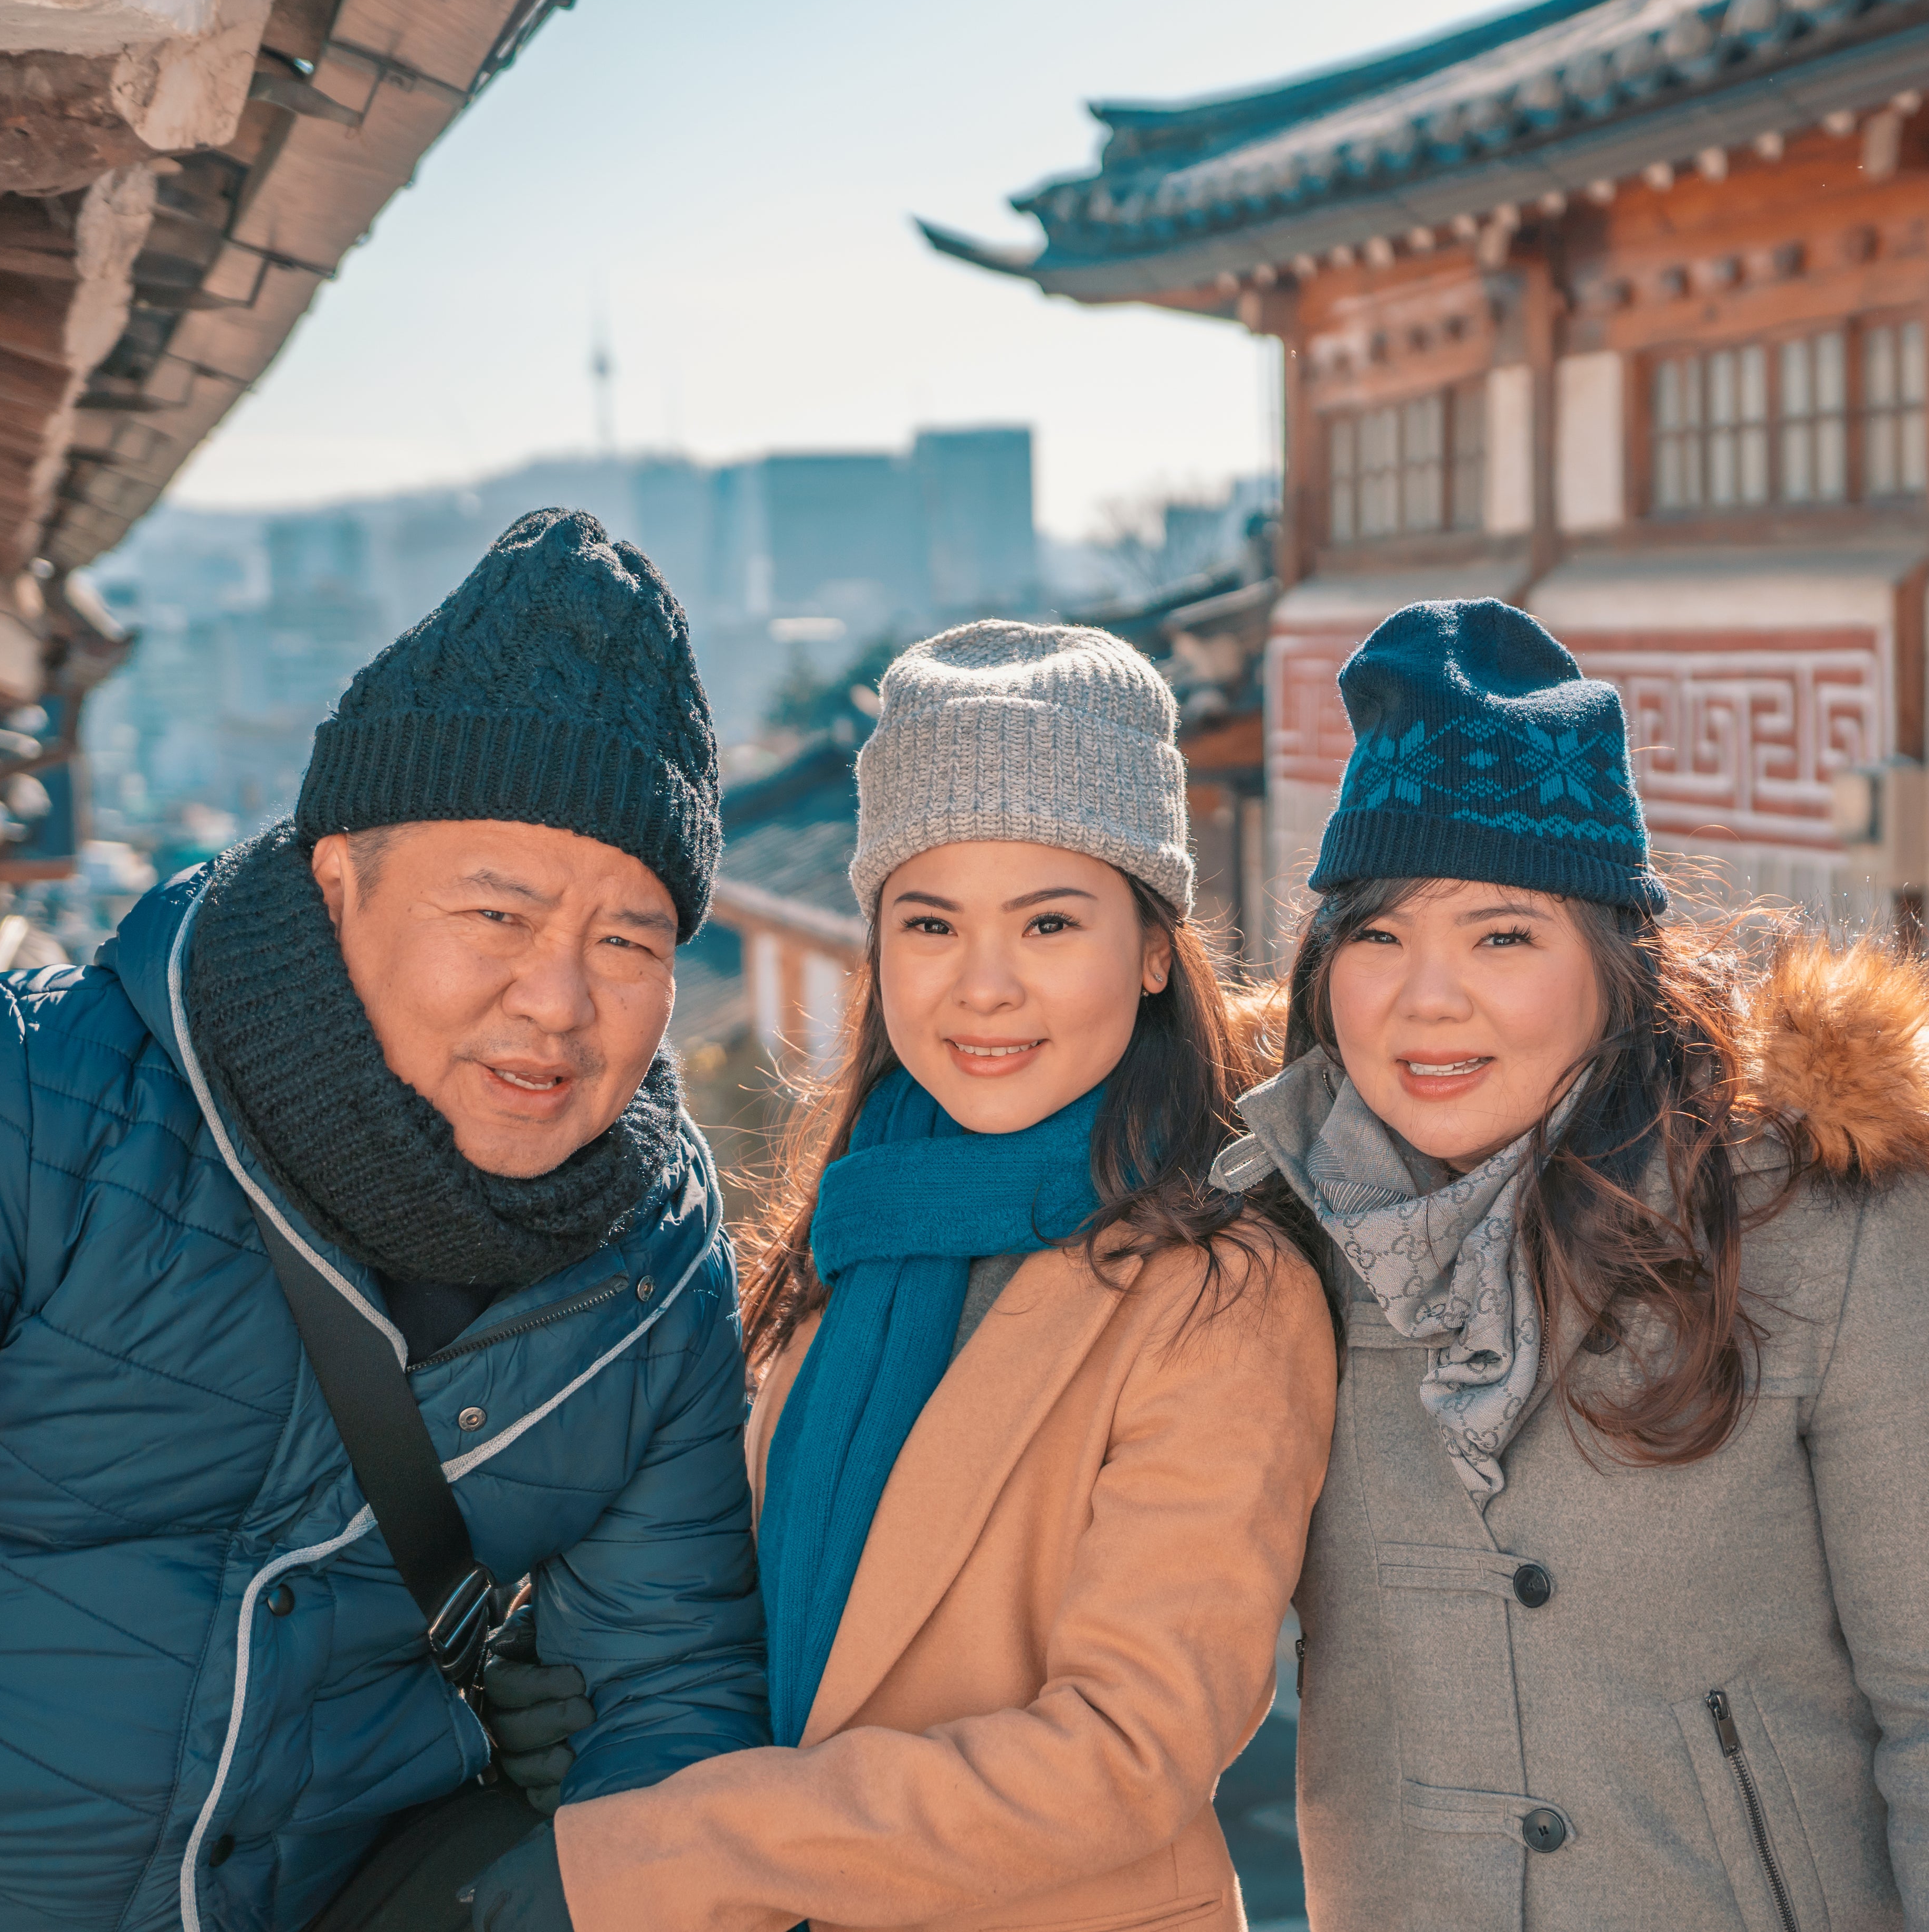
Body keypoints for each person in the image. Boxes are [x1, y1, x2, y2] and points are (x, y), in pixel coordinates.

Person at [0, 508, 766, 1931]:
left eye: (627, 942)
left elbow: (669, 1697)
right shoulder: (35, 1098)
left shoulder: (651, 1263)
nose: (559, 1001)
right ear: (339, 881)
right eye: (496, 916)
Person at [1214, 598, 1929, 1932]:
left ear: (1612, 964)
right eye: (1378, 935)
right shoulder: (1279, 1230)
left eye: (1504, 936)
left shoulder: (1821, 1221)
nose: (1426, 998)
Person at [490, 622, 1335, 1932]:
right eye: (929, 922)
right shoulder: (855, 1226)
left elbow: (1125, 1755)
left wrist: (666, 1855)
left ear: (1155, 948)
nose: (983, 988)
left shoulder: (1219, 1293)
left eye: (1051, 920)